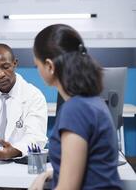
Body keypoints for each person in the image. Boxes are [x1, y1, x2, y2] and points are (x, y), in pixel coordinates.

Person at [30, 24, 122, 190]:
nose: (37, 70)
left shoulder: (75, 110)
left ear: (50, 66)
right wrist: (49, 173)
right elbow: (89, 165)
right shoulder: (91, 102)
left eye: (37, 65)